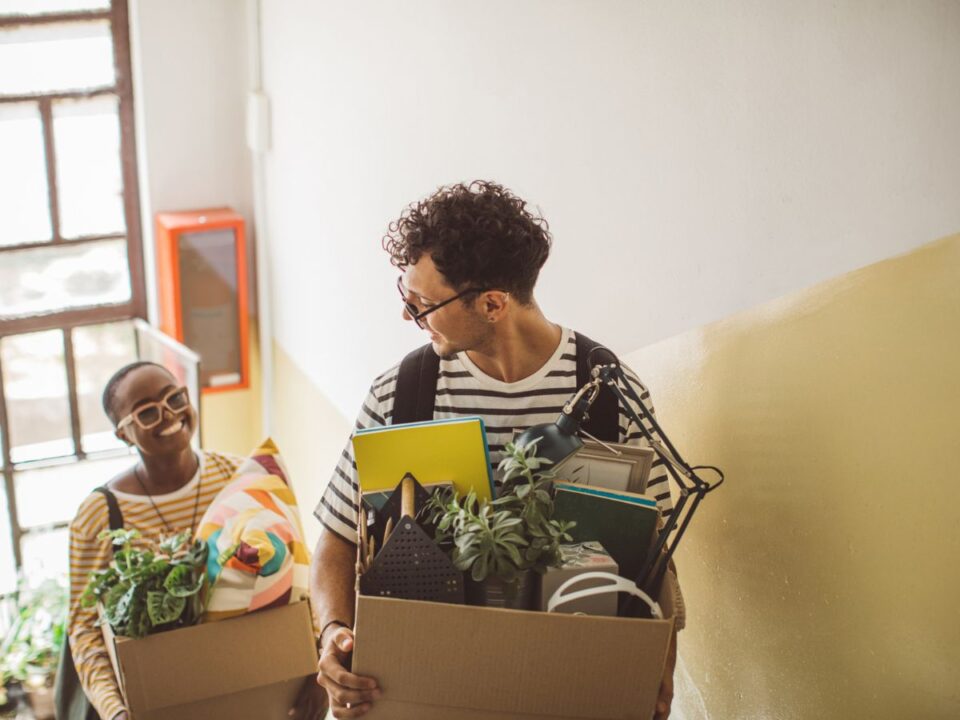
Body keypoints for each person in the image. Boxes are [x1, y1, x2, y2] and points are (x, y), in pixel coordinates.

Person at [310, 181, 679, 719]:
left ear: (491, 303)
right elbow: (338, 539)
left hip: (567, 690)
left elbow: (656, 555)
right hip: (432, 691)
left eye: (422, 305)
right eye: (406, 298)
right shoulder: (400, 392)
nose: (409, 317)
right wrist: (333, 633)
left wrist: (657, 667)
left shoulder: (609, 395)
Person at [64, 361, 327, 720]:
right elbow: (84, 627)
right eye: (147, 412)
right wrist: (115, 712)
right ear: (124, 434)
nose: (169, 414)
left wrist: (317, 668)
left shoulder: (237, 476)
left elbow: (300, 568)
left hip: (252, 684)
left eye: (175, 398)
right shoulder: (99, 515)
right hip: (162, 699)